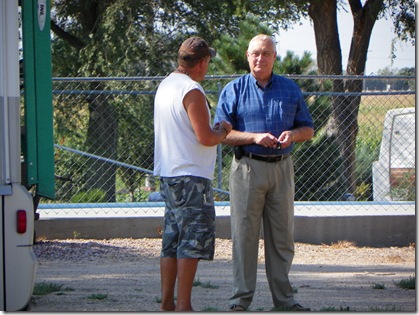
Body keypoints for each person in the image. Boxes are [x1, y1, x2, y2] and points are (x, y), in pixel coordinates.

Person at [214, 34, 314, 312]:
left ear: (274, 57)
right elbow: (222, 133)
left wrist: (292, 135)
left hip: (282, 169)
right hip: (247, 168)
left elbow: (308, 128)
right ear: (247, 56)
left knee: (282, 239)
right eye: (255, 53)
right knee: (244, 237)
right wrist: (254, 138)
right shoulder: (233, 90)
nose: (260, 58)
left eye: (266, 53)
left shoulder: (290, 89)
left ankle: (284, 301)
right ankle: (240, 301)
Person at [153, 36, 232, 312]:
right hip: (192, 176)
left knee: (172, 239)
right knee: (191, 240)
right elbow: (205, 137)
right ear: (201, 63)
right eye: (208, 61)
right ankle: (184, 305)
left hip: (169, 173)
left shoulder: (166, 85)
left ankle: (167, 303)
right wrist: (224, 130)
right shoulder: (192, 90)